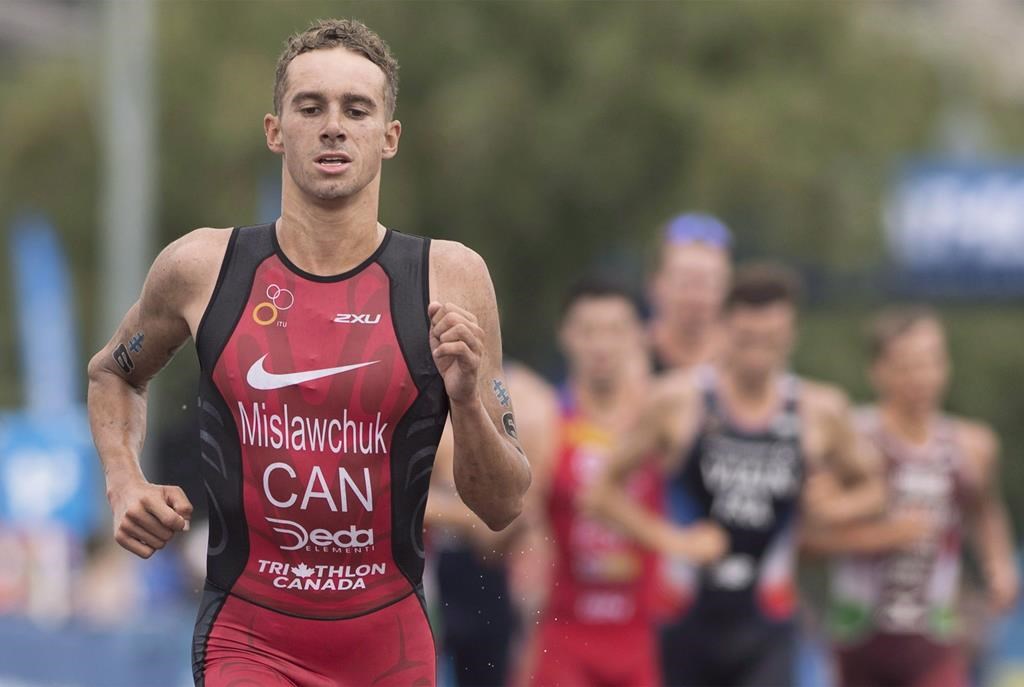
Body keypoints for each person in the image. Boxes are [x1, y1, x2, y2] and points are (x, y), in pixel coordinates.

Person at [85, 19, 530, 687]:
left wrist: (466, 399)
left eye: (356, 109)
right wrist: (124, 483)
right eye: (310, 106)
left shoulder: (451, 278)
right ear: (275, 129)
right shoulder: (203, 268)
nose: (332, 126)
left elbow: (502, 505)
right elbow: (113, 375)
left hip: (390, 645)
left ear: (389, 137)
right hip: (249, 639)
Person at [587, 263, 886, 687]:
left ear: (791, 335)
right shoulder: (678, 399)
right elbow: (599, 494)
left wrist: (836, 508)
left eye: (771, 341)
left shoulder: (819, 409)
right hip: (684, 621)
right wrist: (672, 539)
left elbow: (876, 488)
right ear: (723, 330)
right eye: (746, 340)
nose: (757, 352)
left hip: (768, 623)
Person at [805, 307, 1019, 687]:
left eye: (930, 363)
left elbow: (985, 511)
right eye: (906, 366)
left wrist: (998, 567)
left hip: (935, 637)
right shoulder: (852, 439)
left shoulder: (972, 445)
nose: (920, 378)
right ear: (877, 371)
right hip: (858, 637)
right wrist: (880, 536)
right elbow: (806, 539)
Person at [520, 278, 673, 687]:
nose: (601, 345)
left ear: (639, 336)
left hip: (643, 638)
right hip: (566, 636)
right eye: (588, 331)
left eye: (614, 330)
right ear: (566, 335)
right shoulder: (546, 424)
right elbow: (505, 533)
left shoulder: (661, 422)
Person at [426, 362, 559, 687]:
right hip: (437, 573)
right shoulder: (418, 387)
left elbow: (524, 507)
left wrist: (468, 518)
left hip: (500, 576)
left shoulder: (530, 400)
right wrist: (473, 518)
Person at [648, 213, 732, 371]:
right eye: (685, 282)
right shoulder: (628, 359)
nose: (696, 297)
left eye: (708, 283)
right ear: (656, 285)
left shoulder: (744, 362)